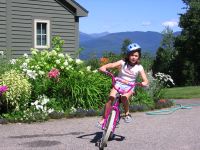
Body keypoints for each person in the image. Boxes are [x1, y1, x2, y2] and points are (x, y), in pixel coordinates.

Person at [97, 43, 149, 127]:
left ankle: (127, 114)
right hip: (118, 83)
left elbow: (145, 79)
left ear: (139, 57)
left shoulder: (139, 67)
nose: (133, 57)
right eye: (131, 55)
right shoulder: (122, 62)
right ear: (128, 55)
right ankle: (103, 119)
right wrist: (104, 67)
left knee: (124, 97)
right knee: (110, 98)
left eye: (136, 55)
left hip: (129, 87)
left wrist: (144, 83)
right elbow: (112, 64)